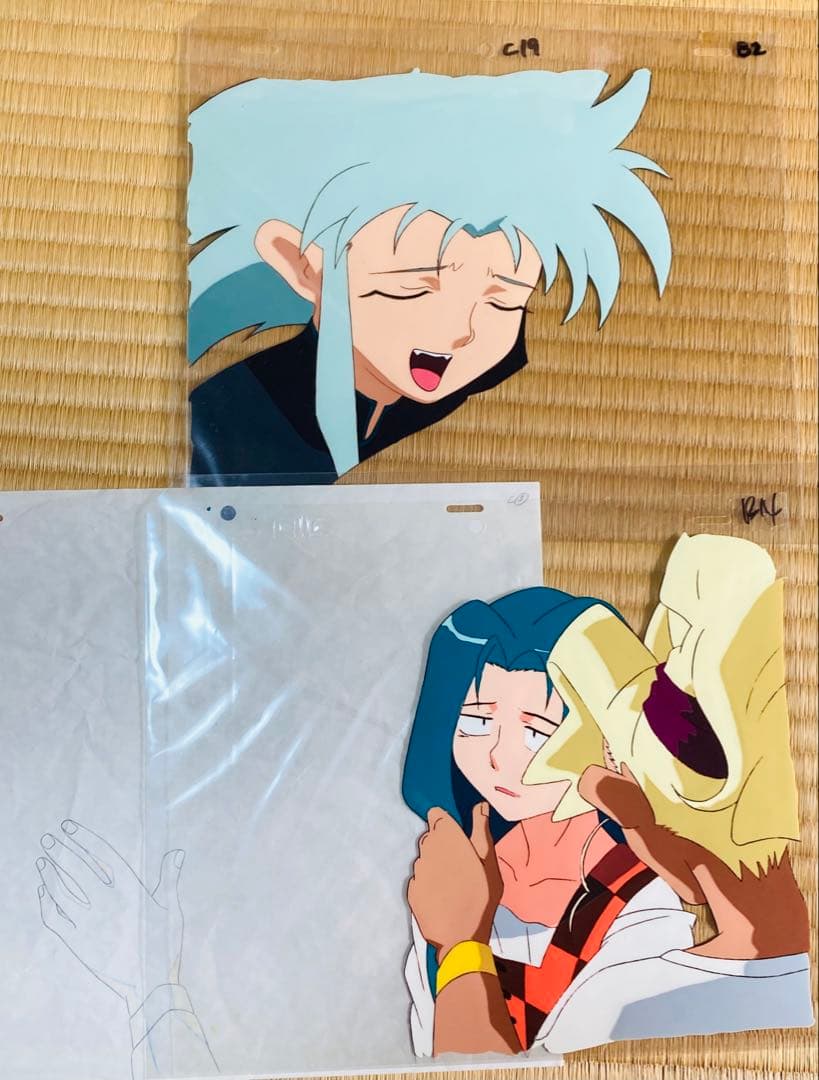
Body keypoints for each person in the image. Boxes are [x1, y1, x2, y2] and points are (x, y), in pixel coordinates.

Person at [187, 68, 671, 484]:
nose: (460, 330)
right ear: (303, 264)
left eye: (503, 300)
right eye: (413, 287)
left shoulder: (505, 390)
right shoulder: (224, 425)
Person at [401, 588, 694, 1056]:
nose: (498, 757)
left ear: (611, 742)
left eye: (538, 732)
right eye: (476, 722)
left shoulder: (643, 906)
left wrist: (461, 942)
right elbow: (427, 1046)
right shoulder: (452, 870)